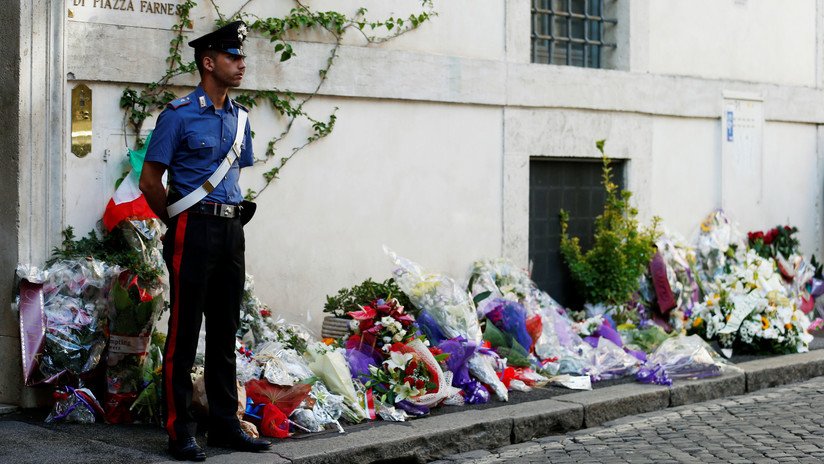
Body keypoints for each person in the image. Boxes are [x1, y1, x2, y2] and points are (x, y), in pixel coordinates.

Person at [139, 20, 271, 461]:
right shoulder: (178, 116)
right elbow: (150, 180)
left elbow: (236, 174)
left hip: (233, 230)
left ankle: (225, 424)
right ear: (208, 62)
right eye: (233, 57)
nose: (241, 65)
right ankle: (180, 432)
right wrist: (177, 220)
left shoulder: (241, 119)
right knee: (184, 331)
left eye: (242, 58)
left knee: (224, 330)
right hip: (192, 229)